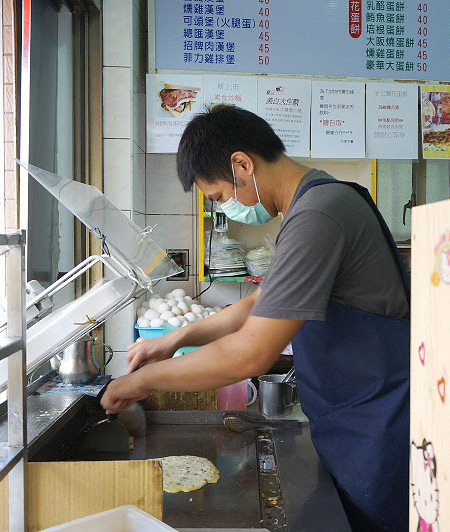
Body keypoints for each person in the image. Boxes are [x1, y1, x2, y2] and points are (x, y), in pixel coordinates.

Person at [101, 106, 410, 531]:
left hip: (375, 426)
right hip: (356, 416)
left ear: (242, 165)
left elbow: (250, 355)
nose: (225, 208)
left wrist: (138, 381)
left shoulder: (318, 215)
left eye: (218, 197)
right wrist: (172, 339)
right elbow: (257, 303)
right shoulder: (318, 202)